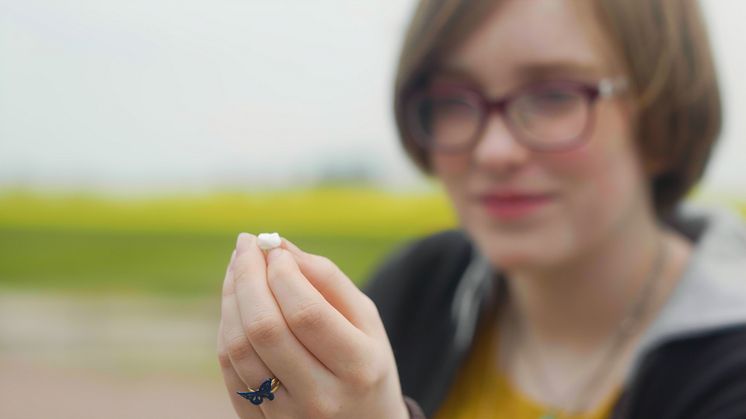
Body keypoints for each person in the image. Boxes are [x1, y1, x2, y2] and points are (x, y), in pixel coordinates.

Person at [217, 0, 746, 418]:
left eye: (554, 95)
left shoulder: (730, 371)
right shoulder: (418, 288)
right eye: (452, 98)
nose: (494, 151)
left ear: (660, 113)